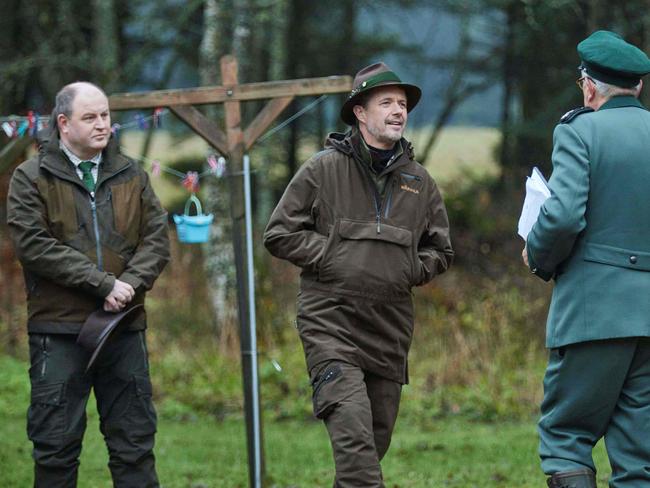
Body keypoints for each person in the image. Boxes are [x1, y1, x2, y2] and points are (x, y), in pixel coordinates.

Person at [264, 62, 453, 487]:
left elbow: (441, 249)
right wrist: (333, 256)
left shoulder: (420, 183)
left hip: (390, 330)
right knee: (356, 453)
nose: (398, 111)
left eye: (402, 104)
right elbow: (279, 233)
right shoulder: (322, 169)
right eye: (386, 102)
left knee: (369, 448)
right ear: (360, 113)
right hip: (331, 324)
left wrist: (407, 268)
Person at [7, 82, 170, 487]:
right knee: (55, 449)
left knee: (134, 447)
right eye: (91, 117)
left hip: (123, 329)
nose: (103, 125)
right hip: (59, 332)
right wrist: (103, 284)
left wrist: (128, 285)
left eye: (106, 116)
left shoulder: (132, 174)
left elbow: (157, 240)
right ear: (64, 123)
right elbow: (34, 246)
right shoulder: (30, 178)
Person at [523, 31, 650, 488]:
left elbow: (561, 218)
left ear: (589, 87)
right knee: (640, 455)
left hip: (594, 312)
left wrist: (536, 257)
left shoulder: (579, 130)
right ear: (637, 86)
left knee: (566, 437)